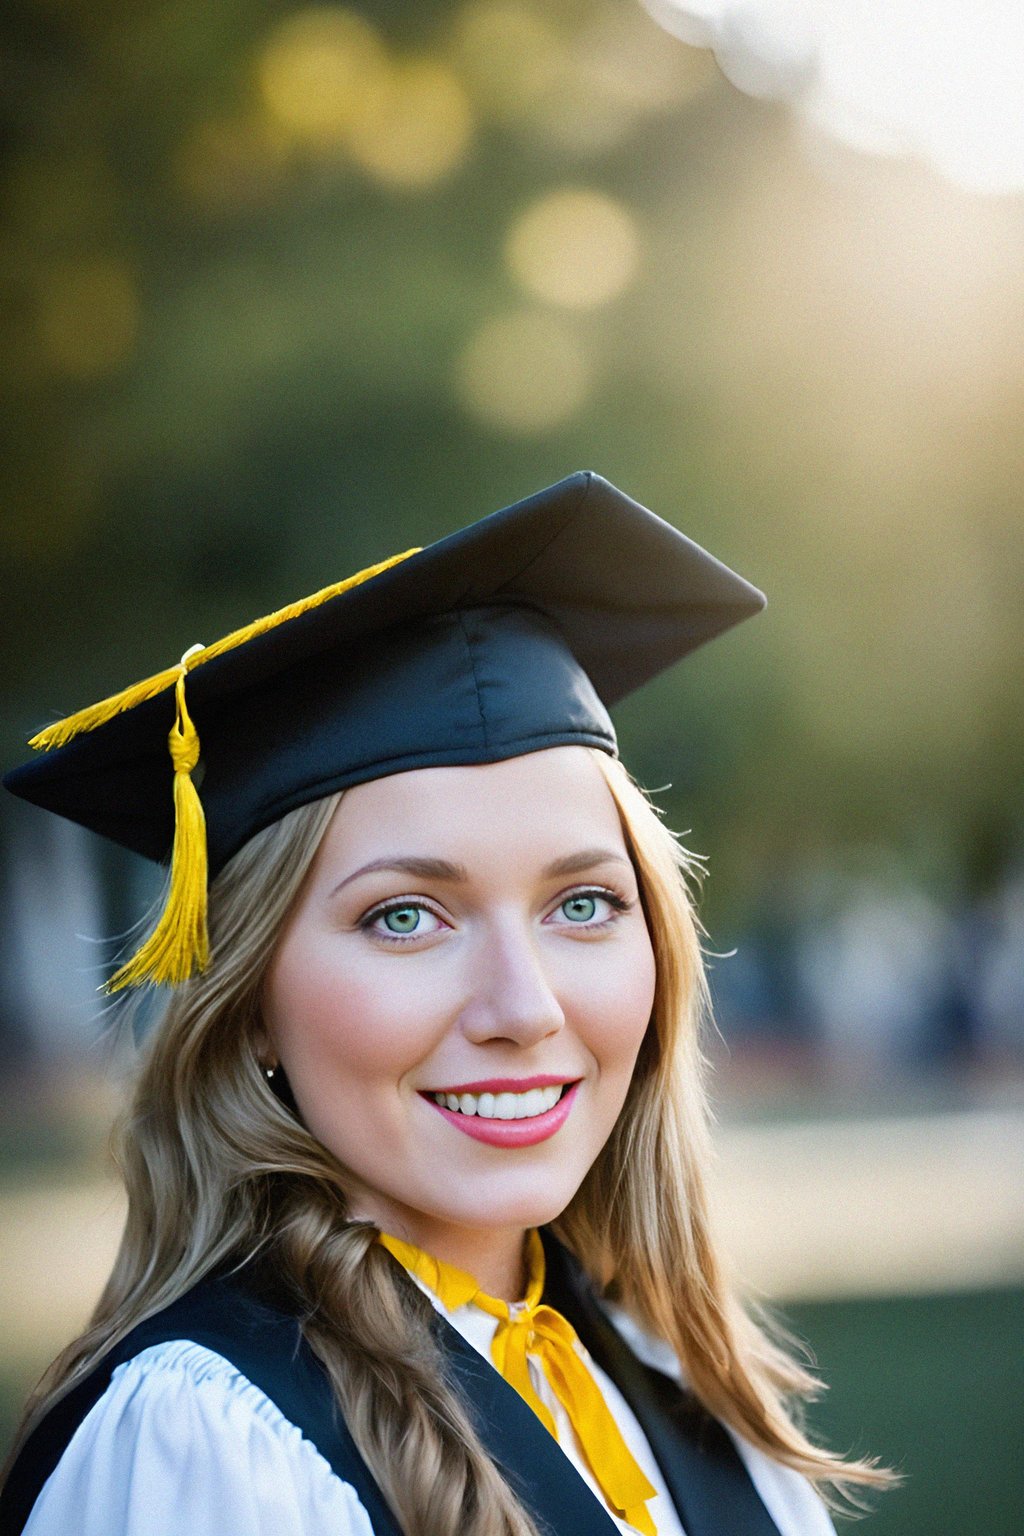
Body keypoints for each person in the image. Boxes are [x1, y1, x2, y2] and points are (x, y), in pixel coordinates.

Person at [0, 472, 891, 1536]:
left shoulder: (686, 1394)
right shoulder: (215, 1448)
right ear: (251, 1008)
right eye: (406, 918)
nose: (523, 1007)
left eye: (584, 902)